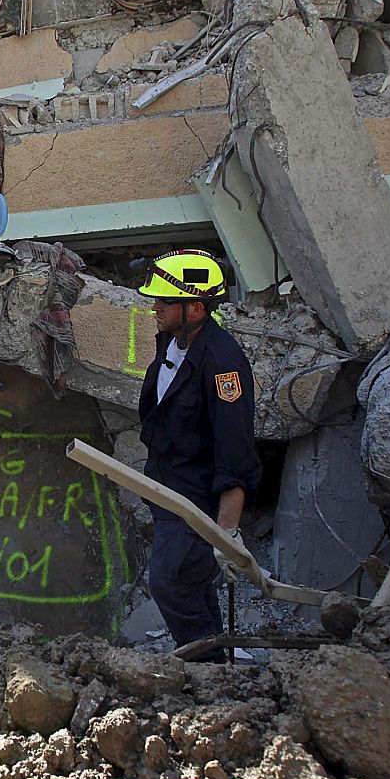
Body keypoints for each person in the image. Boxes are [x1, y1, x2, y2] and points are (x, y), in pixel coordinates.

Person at [135, 249, 261, 663]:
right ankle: (219, 661)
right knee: (189, 582)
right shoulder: (173, 345)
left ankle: (204, 666)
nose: (154, 306)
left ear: (196, 307)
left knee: (169, 582)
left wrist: (226, 533)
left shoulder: (223, 364)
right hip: (168, 491)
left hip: (196, 504)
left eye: (165, 301)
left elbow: (236, 451)